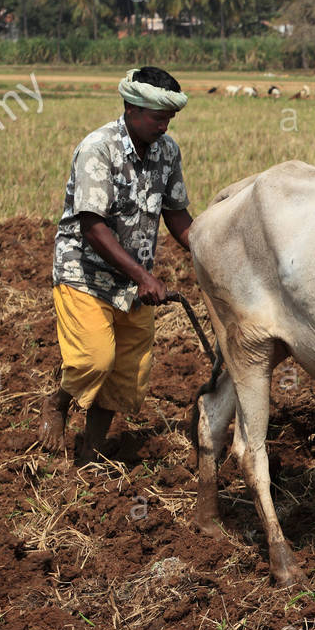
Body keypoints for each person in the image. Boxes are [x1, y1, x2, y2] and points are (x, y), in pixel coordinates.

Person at [37, 66, 194, 462]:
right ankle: (57, 403)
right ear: (131, 107)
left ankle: (91, 453)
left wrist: (211, 252)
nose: (164, 126)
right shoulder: (98, 148)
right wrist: (144, 276)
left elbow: (176, 214)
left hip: (132, 280)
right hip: (84, 272)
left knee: (126, 373)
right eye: (158, 117)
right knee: (94, 359)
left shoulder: (168, 151)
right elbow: (92, 226)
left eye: (169, 118)